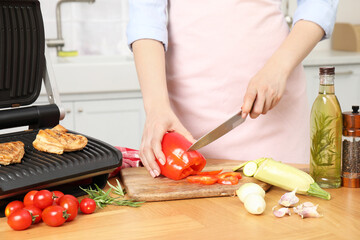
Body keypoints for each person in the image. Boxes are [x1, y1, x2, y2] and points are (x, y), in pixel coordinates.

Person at [126, 0, 339, 178]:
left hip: (274, 104)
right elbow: (146, 14)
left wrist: (279, 68)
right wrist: (156, 107)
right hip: (186, 118)